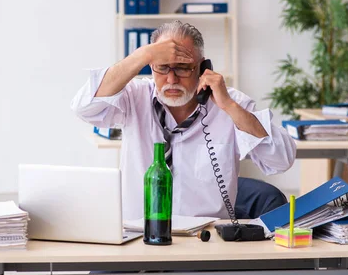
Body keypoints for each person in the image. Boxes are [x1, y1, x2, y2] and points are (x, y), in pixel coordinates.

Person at [71, 21, 296, 221]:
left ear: (202, 67)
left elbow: (281, 160)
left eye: (181, 67)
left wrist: (228, 106)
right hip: (137, 238)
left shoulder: (230, 102)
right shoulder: (134, 96)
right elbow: (84, 108)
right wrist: (143, 54)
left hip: (204, 245)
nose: (171, 79)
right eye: (162, 67)